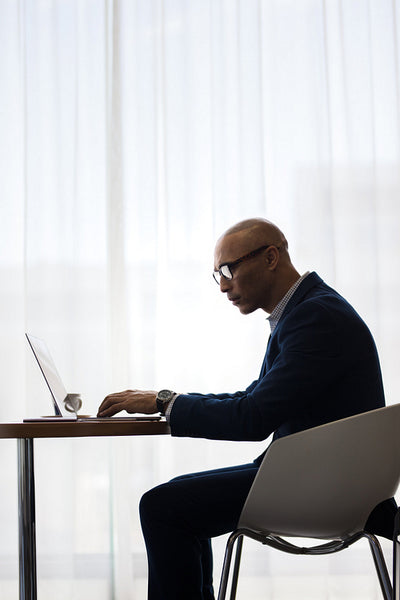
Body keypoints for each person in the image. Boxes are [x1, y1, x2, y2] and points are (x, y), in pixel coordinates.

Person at [97, 218, 396, 600]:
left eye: (229, 269)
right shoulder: (307, 312)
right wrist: (164, 399)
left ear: (270, 257)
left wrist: (163, 402)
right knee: (173, 497)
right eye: (217, 275)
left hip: (325, 489)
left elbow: (253, 418)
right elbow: (253, 399)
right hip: (320, 479)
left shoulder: (316, 317)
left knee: (163, 507)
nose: (223, 286)